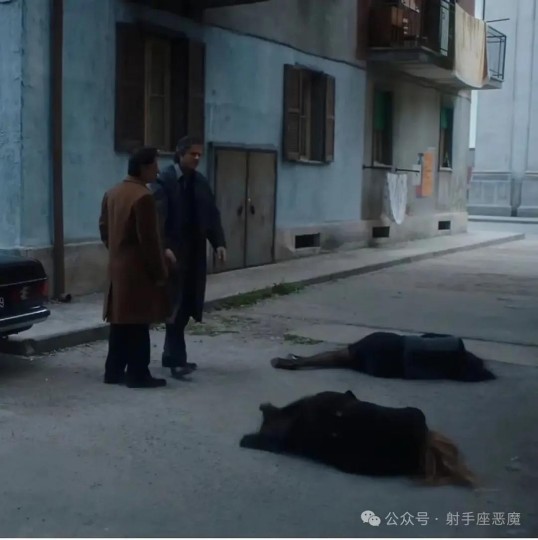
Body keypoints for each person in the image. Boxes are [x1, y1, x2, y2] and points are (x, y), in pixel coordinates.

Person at [240, 390, 477, 488]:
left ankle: (275, 417)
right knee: (294, 426)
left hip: (337, 414)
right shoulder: (402, 466)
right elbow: (353, 465)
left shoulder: (416, 419)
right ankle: (274, 420)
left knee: (305, 409)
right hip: (331, 436)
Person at [99, 147, 175, 389]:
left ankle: (113, 371)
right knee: (139, 323)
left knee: (120, 323)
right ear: (143, 168)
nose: (158, 171)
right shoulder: (143, 197)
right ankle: (138, 374)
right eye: (154, 166)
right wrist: (160, 272)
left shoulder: (112, 193)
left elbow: (104, 229)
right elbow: (149, 241)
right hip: (137, 272)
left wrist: (118, 250)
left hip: (117, 269)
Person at [151, 136, 227, 379]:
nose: (196, 158)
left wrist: (219, 243)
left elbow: (211, 214)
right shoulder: (165, 180)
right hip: (173, 254)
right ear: (180, 153)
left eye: (199, 155)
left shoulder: (200, 182)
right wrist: (163, 247)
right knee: (175, 305)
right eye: (192, 154)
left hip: (194, 254)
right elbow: (157, 219)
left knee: (186, 305)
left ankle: (170, 354)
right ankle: (177, 359)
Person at [271, 331, 496, 382]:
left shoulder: (454, 344)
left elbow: (427, 337)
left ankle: (299, 362)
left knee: (340, 356)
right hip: (387, 369)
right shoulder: (452, 371)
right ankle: (301, 360)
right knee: (345, 361)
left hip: (392, 345)